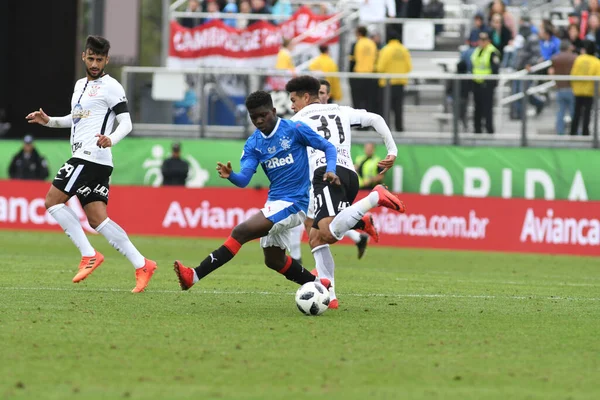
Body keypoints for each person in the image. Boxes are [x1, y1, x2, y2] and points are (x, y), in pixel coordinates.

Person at [25, 35, 157, 293]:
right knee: (97, 219)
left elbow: (126, 122)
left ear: (106, 60)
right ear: (84, 56)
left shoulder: (112, 86)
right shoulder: (79, 86)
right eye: (91, 58)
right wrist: (49, 121)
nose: (95, 63)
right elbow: (76, 120)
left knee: (52, 201)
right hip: (95, 161)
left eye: (100, 59)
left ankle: (89, 254)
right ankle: (142, 264)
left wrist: (111, 139)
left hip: (90, 156)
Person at [173, 91, 338, 293]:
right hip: (275, 203)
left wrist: (330, 169)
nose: (259, 121)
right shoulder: (254, 144)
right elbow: (244, 180)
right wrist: (232, 175)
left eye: (263, 115)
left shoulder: (294, 129)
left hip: (295, 203)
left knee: (240, 232)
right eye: (254, 117)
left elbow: (328, 147)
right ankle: (321, 286)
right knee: (274, 260)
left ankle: (194, 275)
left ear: (274, 111)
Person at [286, 75, 405, 309]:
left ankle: (374, 198)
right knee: (314, 235)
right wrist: (392, 150)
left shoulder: (297, 120)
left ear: (305, 97)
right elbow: (376, 118)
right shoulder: (341, 110)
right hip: (349, 174)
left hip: (326, 174)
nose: (292, 105)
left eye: (293, 99)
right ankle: (330, 294)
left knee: (328, 233)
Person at [288, 79, 371, 266]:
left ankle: (299, 263)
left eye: (325, 93)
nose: (323, 96)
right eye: (321, 93)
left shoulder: (338, 114)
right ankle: (319, 275)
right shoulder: (304, 119)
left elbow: (329, 148)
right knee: (313, 225)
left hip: (326, 174)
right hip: (311, 177)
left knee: (321, 227)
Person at [376, 33, 412, 132]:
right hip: (400, 82)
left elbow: (380, 67)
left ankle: (385, 129)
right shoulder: (404, 50)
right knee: (398, 107)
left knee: (386, 107)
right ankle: (399, 128)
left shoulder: (386, 49)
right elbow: (409, 67)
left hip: (387, 84)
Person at [471, 32, 500, 134]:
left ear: (488, 41)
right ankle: (477, 129)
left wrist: (491, 83)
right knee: (477, 108)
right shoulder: (477, 50)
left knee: (487, 108)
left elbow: (495, 69)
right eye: (480, 40)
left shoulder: (492, 52)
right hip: (476, 83)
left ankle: (489, 130)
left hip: (487, 84)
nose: (482, 42)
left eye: (484, 40)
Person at [570, 40, 600, 136]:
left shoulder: (579, 59)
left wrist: (574, 87)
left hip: (578, 91)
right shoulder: (596, 62)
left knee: (576, 112)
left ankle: (573, 131)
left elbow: (573, 74)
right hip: (590, 92)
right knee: (587, 113)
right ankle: (585, 132)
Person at [549, 40, 577, 135]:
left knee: (560, 111)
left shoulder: (555, 58)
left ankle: (560, 131)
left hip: (560, 87)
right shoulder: (574, 58)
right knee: (573, 111)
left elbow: (551, 72)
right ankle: (575, 131)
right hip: (571, 87)